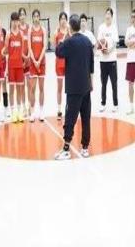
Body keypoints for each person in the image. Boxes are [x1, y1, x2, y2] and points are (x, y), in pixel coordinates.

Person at [54, 14, 94, 160]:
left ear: (70, 27)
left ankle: (66, 149)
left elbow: (58, 51)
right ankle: (85, 148)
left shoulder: (69, 42)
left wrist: (65, 36)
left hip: (73, 88)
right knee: (85, 118)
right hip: (86, 86)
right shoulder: (87, 41)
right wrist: (91, 82)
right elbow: (91, 64)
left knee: (70, 119)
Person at [3, 12, 26, 123]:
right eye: (13, 20)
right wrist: (6, 68)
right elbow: (6, 51)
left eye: (17, 20)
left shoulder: (21, 34)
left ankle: (20, 112)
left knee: (20, 90)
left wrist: (24, 60)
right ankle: (13, 113)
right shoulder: (8, 34)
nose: (15, 22)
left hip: (19, 65)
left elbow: (22, 51)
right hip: (11, 66)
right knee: (12, 90)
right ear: (11, 21)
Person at [97, 7, 119, 113]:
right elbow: (99, 41)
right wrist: (103, 50)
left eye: (109, 14)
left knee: (114, 83)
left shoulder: (114, 28)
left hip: (112, 59)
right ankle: (103, 103)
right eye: (106, 14)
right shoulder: (101, 27)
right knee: (103, 83)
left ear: (112, 16)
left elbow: (115, 43)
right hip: (103, 60)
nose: (107, 15)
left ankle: (115, 104)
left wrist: (109, 50)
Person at [28, 9, 47, 122]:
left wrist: (39, 60)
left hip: (41, 63)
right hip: (33, 63)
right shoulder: (30, 30)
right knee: (32, 88)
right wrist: (34, 61)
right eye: (34, 16)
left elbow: (44, 46)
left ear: (39, 17)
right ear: (32, 18)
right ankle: (32, 112)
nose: (36, 18)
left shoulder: (43, 30)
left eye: (37, 16)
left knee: (41, 88)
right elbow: (29, 47)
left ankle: (41, 111)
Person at [53, 12, 70, 120]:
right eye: (61, 19)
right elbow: (54, 46)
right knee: (59, 87)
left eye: (64, 18)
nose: (63, 20)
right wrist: (55, 35)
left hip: (68, 63)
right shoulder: (57, 32)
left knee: (69, 88)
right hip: (59, 63)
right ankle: (59, 110)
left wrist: (69, 33)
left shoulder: (69, 33)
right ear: (59, 20)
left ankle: (68, 109)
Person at [18, 7, 31, 117]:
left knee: (29, 86)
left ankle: (30, 106)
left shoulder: (29, 28)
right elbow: (17, 47)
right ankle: (23, 108)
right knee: (21, 87)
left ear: (25, 16)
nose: (22, 16)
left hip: (28, 61)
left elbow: (31, 44)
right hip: (20, 61)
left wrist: (28, 57)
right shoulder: (17, 29)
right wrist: (23, 57)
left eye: (23, 14)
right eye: (20, 14)